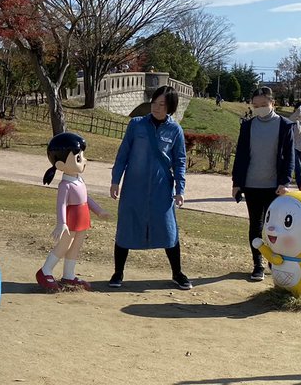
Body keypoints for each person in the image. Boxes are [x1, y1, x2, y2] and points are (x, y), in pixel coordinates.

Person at [108, 86, 190, 290]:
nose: (156, 107)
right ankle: (118, 273)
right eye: (154, 102)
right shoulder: (136, 125)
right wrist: (115, 180)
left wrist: (180, 189)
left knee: (168, 230)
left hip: (161, 190)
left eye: (162, 104)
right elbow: (123, 154)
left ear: (170, 107)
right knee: (126, 227)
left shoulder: (175, 130)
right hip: (133, 188)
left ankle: (177, 273)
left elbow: (180, 161)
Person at [232, 87, 296, 282]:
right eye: (256, 105)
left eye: (264, 105)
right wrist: (237, 183)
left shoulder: (285, 125)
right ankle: (257, 264)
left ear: (272, 104)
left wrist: (285, 181)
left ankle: (274, 262)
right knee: (255, 225)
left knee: (274, 228)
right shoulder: (248, 126)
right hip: (252, 184)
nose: (259, 108)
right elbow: (241, 155)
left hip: (274, 186)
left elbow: (289, 157)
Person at [36, 132, 109, 292]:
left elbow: (86, 199)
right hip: (70, 220)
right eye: (78, 158)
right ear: (61, 165)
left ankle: (68, 274)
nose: (84, 161)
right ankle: (45, 270)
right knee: (64, 245)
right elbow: (61, 205)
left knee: (76, 246)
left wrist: (98, 211)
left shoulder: (79, 180)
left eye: (82, 156)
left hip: (82, 218)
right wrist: (61, 223)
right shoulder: (65, 185)